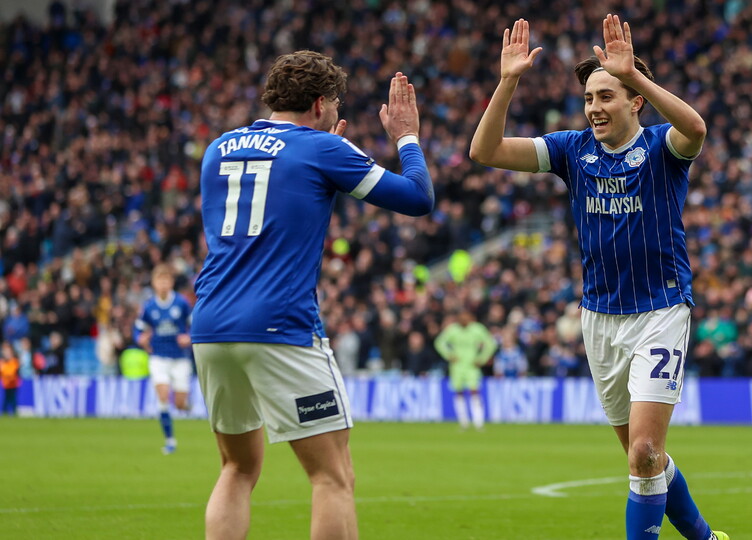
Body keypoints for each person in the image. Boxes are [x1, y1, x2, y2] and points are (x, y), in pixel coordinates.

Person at [470, 15, 727, 540]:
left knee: (645, 451)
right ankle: (703, 537)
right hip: (600, 319)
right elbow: (485, 152)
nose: (594, 108)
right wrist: (508, 81)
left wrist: (635, 75)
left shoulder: (662, 148)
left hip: (660, 310)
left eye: (606, 95)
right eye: (589, 98)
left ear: (634, 100)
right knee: (643, 459)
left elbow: (697, 128)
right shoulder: (573, 150)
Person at [191, 50, 433, 540]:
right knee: (332, 476)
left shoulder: (219, 147)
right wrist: (406, 136)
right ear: (321, 104)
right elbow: (417, 198)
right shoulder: (322, 150)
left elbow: (276, 207)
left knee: (237, 469)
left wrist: (327, 164)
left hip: (211, 323)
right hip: (281, 326)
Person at [134, 264, 193, 454]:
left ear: (171, 282)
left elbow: (195, 325)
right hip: (158, 356)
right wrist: (140, 338)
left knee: (180, 404)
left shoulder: (181, 303)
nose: (163, 284)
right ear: (154, 283)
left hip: (180, 358)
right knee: (162, 394)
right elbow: (138, 329)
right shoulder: (149, 307)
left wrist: (189, 337)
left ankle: (185, 403)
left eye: (166, 280)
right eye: (160, 280)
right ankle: (170, 440)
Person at [434, 308, 498, 430]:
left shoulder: (477, 329)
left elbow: (490, 343)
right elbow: (439, 342)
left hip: (471, 366)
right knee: (458, 393)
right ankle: (463, 422)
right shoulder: (453, 330)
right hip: (457, 366)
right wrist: (449, 355)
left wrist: (482, 358)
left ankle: (478, 422)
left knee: (474, 392)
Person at [1, 342, 21, 416]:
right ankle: (4, 412)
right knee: (6, 399)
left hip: (13, 384)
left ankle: (14, 412)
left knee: (13, 399)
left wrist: (4, 370)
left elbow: (11, 372)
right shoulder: (2, 362)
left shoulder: (14, 361)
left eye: (8, 353)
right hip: (6, 384)